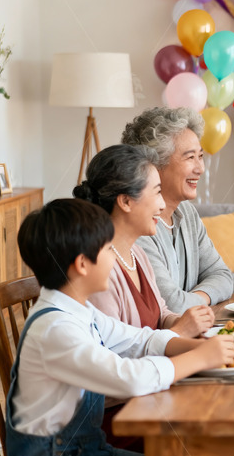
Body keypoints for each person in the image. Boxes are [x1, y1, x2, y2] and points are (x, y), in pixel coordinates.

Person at [7, 198, 234, 456]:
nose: (115, 259)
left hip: (88, 452)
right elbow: (131, 378)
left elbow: (140, 339)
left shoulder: (80, 310)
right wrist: (201, 357)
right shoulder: (56, 330)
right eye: (107, 250)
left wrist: (199, 347)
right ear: (82, 264)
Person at [74, 144, 214, 338]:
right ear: (126, 202)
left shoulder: (137, 254)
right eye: (157, 192)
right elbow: (115, 354)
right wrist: (180, 332)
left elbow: (162, 315)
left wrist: (187, 322)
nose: (163, 204)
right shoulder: (99, 271)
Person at [121, 106, 233, 313]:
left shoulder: (187, 212)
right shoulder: (137, 222)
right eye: (190, 158)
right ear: (154, 165)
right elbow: (171, 305)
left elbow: (222, 275)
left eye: (201, 157)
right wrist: (201, 299)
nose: (200, 169)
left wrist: (195, 299)